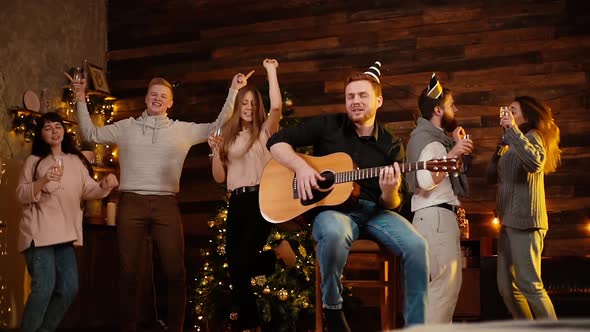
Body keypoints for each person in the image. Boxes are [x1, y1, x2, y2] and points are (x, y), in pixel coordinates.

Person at [69, 71, 252, 332]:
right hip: (131, 203)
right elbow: (90, 133)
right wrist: (79, 96)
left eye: (163, 97)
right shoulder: (126, 127)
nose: (157, 99)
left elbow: (217, 127)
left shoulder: (182, 130)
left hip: (166, 204)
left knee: (175, 272)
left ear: (170, 103)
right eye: (153, 94)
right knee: (128, 273)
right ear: (145, 99)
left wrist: (234, 90)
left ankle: (175, 328)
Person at [266, 61, 428, 330]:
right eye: (350, 96)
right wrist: (302, 168)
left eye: (362, 95)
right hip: (334, 212)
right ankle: (333, 308)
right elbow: (275, 142)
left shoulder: (392, 144)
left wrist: (389, 191)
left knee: (417, 246)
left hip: (376, 212)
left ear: (378, 100)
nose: (355, 101)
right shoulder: (329, 125)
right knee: (334, 231)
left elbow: (394, 205)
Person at [208, 58, 296, 331]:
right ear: (238, 107)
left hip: (261, 199)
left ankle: (247, 324)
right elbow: (220, 178)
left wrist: (271, 72)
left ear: (258, 107)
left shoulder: (266, 130)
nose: (248, 108)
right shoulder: (229, 135)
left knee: (241, 261)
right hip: (237, 201)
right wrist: (214, 151)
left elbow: (277, 106)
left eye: (252, 104)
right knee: (236, 266)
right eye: (243, 103)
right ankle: (251, 321)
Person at [16, 112, 118, 332]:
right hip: (38, 233)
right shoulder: (33, 162)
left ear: (64, 131)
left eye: (58, 126)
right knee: (44, 289)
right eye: (47, 128)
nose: (54, 131)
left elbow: (89, 189)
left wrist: (105, 185)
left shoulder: (75, 161)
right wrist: (43, 181)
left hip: (65, 235)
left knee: (70, 289)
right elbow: (21, 194)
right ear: (41, 135)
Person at [406, 73, 473, 323]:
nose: (455, 109)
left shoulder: (433, 139)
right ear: (437, 110)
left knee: (441, 288)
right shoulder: (428, 141)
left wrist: (453, 145)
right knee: (444, 288)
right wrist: (454, 151)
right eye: (450, 105)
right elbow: (425, 181)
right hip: (435, 218)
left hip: (432, 218)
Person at [487, 96, 561, 320]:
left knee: (530, 286)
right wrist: (501, 146)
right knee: (508, 289)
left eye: (513, 111)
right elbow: (492, 176)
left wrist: (513, 133)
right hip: (508, 222)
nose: (507, 114)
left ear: (526, 116)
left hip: (526, 222)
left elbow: (535, 162)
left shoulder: (533, 137)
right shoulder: (512, 141)